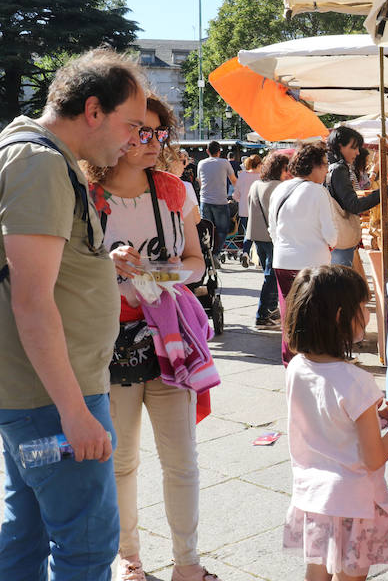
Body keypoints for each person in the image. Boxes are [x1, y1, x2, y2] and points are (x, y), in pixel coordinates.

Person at [0, 47, 146, 580]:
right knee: (85, 543)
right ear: (92, 111)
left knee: (29, 530)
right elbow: (32, 301)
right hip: (53, 400)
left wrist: (95, 266)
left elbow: (38, 277)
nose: (132, 140)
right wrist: (75, 413)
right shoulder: (39, 162)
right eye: (129, 124)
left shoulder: (35, 155)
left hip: (38, 395)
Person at [85, 94, 217, 581]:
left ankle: (188, 563)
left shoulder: (174, 191)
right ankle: (129, 559)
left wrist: (154, 273)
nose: (153, 143)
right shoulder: (86, 192)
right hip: (106, 343)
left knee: (181, 460)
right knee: (121, 463)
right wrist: (107, 263)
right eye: (143, 132)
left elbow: (196, 264)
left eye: (161, 134)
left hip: (168, 343)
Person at [281, 265, 388, 580]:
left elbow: (326, 420)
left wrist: (373, 418)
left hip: (314, 497)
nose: (367, 315)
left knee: (316, 570)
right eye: (362, 308)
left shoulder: (296, 367)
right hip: (354, 503)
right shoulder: (358, 382)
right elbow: (374, 457)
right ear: (340, 316)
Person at [269, 143, 338, 366]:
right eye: (325, 165)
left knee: (289, 315)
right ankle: (314, 360)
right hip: (313, 262)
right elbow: (331, 234)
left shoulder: (280, 189)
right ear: (314, 166)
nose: (327, 170)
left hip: (283, 260)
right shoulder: (318, 192)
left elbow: (272, 228)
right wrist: (332, 244)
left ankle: (291, 361)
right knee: (315, 315)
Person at [326, 126, 388, 267]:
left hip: (334, 237)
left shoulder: (330, 167)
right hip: (340, 237)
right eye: (353, 148)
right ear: (340, 146)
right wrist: (385, 192)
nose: (357, 152)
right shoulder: (339, 169)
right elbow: (354, 205)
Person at [247, 151, 291, 330]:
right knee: (271, 275)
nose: (288, 172)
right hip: (271, 236)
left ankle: (268, 311)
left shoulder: (256, 184)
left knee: (269, 273)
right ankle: (264, 314)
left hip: (256, 235)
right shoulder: (278, 187)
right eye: (285, 168)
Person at [197, 140, 237, 258]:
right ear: (219, 152)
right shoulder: (224, 163)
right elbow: (234, 180)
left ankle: (206, 253)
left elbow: (199, 181)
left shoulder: (201, 163)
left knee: (206, 230)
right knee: (223, 229)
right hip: (220, 201)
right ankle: (215, 253)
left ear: (207, 151)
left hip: (205, 200)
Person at [233, 153, 262, 267]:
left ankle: (245, 253)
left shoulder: (243, 175)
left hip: (244, 209)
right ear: (259, 164)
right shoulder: (261, 176)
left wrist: (240, 199)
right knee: (259, 235)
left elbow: (236, 195)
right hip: (258, 210)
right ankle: (259, 258)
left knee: (248, 233)